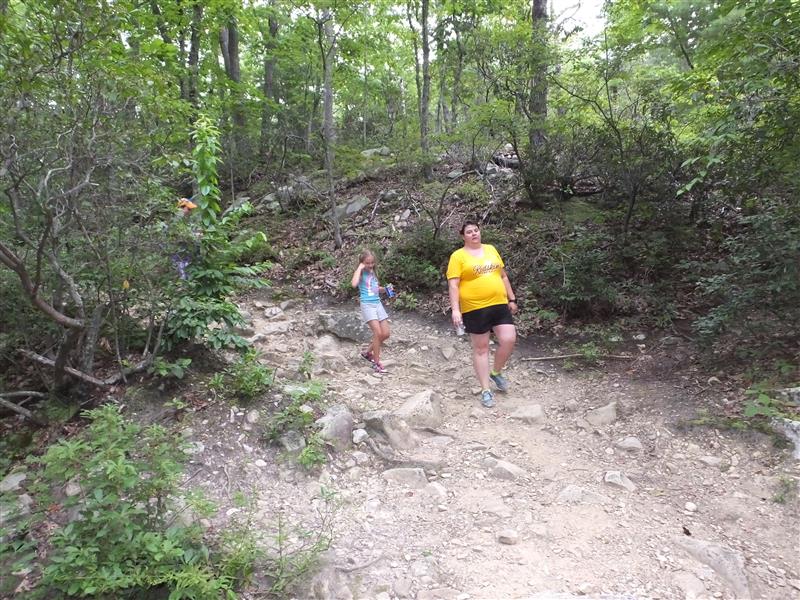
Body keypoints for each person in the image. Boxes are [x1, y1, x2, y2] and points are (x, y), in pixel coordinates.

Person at [447, 220, 518, 408]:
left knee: (509, 339)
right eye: (469, 232)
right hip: (474, 307)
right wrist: (456, 310)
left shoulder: (491, 249)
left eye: (476, 230)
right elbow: (453, 284)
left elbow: (503, 275)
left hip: (499, 303)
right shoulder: (458, 256)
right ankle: (486, 390)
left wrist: (512, 298)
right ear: (463, 236)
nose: (474, 234)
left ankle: (496, 372)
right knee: (481, 348)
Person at [351, 249, 391, 374]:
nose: (370, 265)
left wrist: (386, 289)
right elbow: (354, 284)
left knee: (386, 334)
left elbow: (374, 289)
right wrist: (359, 268)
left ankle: (367, 352)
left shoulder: (373, 272)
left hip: (377, 303)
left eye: (372, 263)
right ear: (362, 263)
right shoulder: (360, 272)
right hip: (367, 304)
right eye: (367, 263)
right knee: (378, 333)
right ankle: (376, 363)